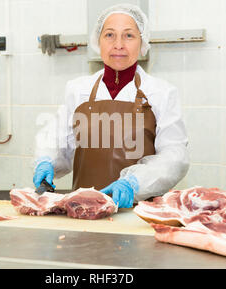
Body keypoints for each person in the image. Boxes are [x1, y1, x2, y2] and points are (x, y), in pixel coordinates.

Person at [33, 3, 189, 209]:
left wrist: (135, 183)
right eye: (109, 35)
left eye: (129, 35)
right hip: (83, 212)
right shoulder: (78, 90)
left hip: (140, 215)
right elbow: (58, 141)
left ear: (142, 42)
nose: (118, 44)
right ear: (98, 40)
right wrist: (47, 161)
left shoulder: (161, 93)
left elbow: (174, 157)